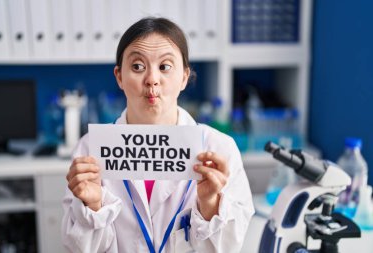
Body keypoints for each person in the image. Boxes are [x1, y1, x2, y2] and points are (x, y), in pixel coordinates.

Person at [62, 17, 254, 253]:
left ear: (184, 76)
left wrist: (210, 204)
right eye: (137, 67)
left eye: (164, 67)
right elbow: (80, 250)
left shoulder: (220, 149)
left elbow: (229, 248)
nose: (152, 79)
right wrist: (91, 207)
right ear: (119, 76)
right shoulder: (91, 151)